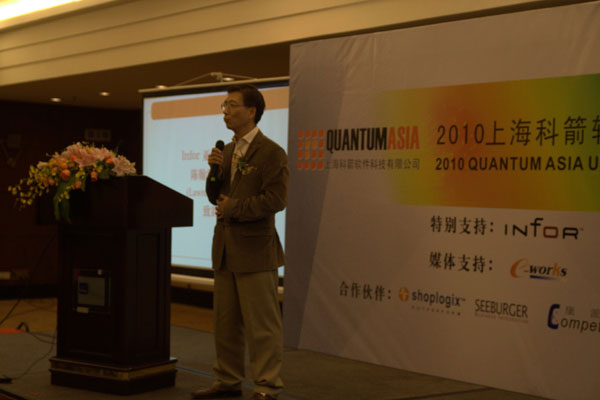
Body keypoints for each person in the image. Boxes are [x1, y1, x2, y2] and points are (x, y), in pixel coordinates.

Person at [191, 84, 288, 400]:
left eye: (232, 105)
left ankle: (267, 386)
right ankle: (228, 380)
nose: (226, 111)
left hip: (255, 250)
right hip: (225, 249)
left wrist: (235, 208)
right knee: (225, 322)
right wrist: (213, 171)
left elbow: (276, 199)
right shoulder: (229, 150)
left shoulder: (271, 152)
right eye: (224, 105)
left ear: (251, 111)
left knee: (262, 325)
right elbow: (215, 196)